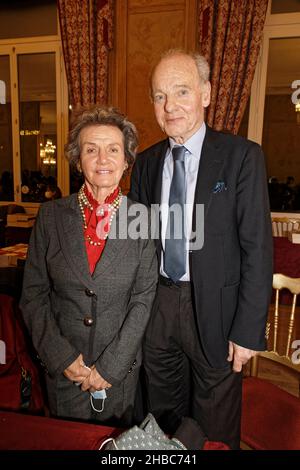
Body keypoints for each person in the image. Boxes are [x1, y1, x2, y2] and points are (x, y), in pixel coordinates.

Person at [129, 50, 273, 449]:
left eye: (181, 91)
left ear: (206, 94)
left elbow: (257, 250)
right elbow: (138, 245)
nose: (169, 106)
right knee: (162, 419)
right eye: (159, 96)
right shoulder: (145, 164)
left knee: (214, 427)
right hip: (158, 306)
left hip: (219, 314)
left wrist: (247, 331)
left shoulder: (243, 157)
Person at [20, 106, 157, 427]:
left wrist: (111, 367)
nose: (102, 159)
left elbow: (143, 299)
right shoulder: (51, 217)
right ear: (77, 159)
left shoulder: (143, 219)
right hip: (65, 371)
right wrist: (61, 357)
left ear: (126, 160)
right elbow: (33, 296)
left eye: (113, 150)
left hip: (118, 372)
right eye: (91, 150)